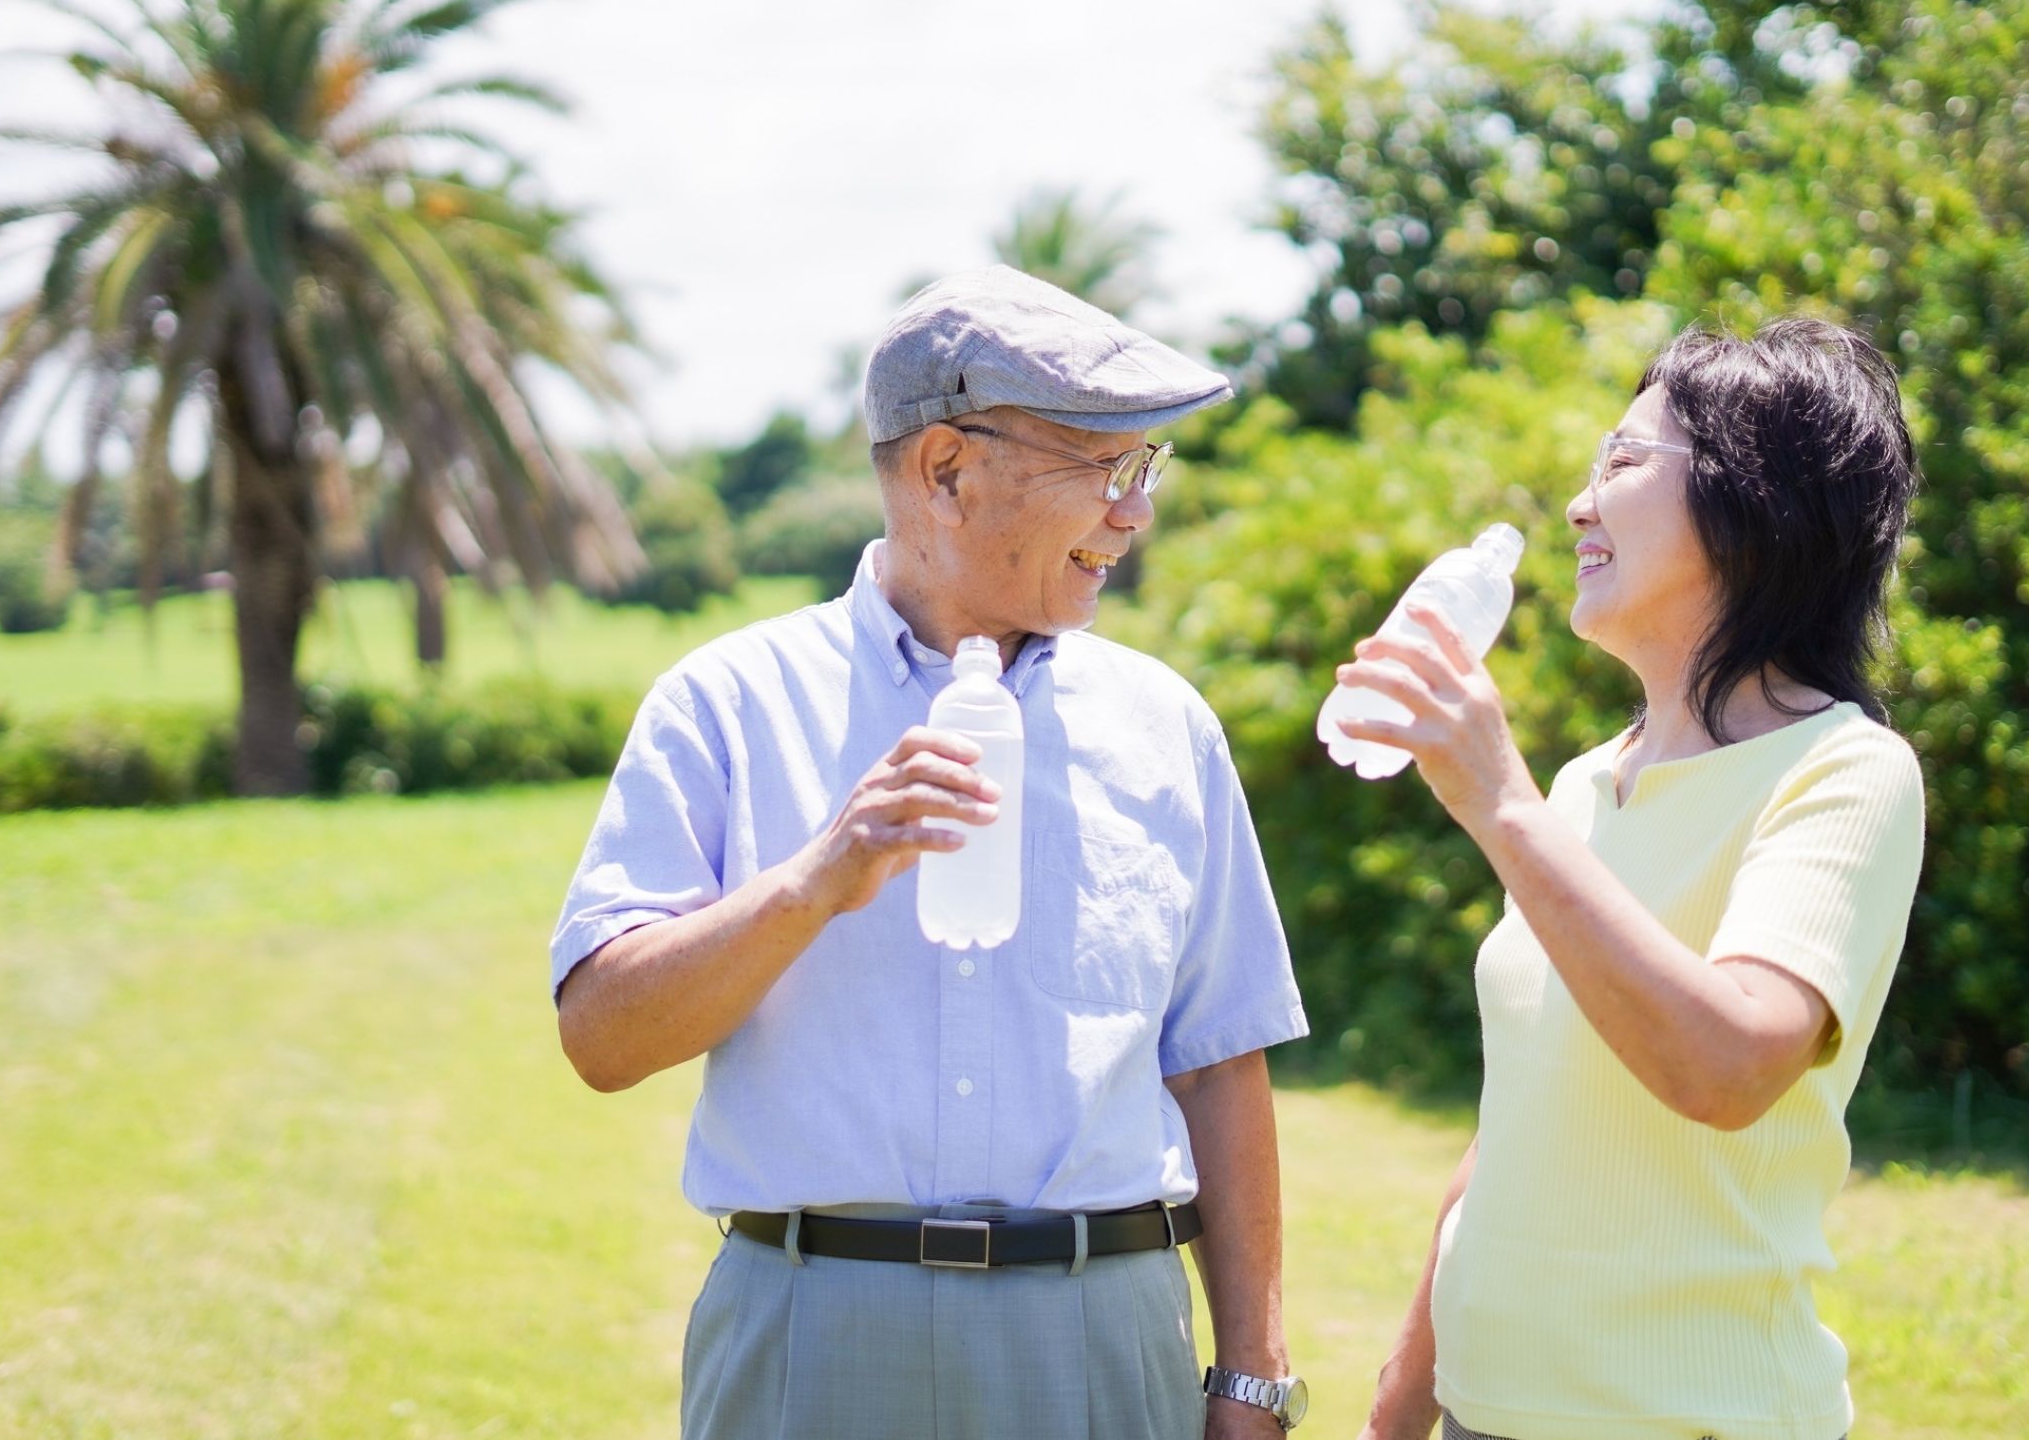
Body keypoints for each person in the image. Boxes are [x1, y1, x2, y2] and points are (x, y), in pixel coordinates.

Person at [551, 266, 1312, 1440]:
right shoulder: (727, 701)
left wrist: (1251, 1379)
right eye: (1106, 470)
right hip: (812, 1337)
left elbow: (1216, 1065)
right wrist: (817, 880)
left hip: (1101, 1341)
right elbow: (601, 1039)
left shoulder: (1165, 726)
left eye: (1146, 470)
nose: (1135, 514)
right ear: (945, 469)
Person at [1341, 318, 1924, 1440]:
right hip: (1483, 1414)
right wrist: (1397, 1408)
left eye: (1621, 463)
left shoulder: (1843, 771)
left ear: (1755, 508)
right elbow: (1515, 1125)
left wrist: (1496, 803)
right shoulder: (1577, 789)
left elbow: (1726, 1067)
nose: (1575, 505)